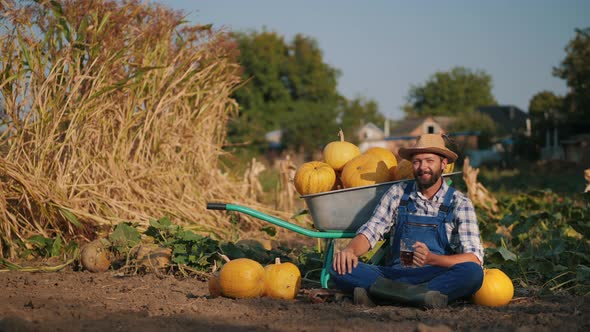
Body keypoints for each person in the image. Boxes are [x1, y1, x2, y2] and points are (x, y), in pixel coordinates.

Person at [329, 134, 484, 308]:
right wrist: (350, 251)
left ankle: (382, 295)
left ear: (443, 164)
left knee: (473, 273)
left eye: (429, 161)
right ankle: (420, 298)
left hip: (434, 275)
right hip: (395, 274)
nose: (422, 167)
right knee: (338, 267)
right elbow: (371, 230)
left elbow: (474, 258)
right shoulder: (398, 193)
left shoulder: (459, 203)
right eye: (417, 161)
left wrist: (432, 259)